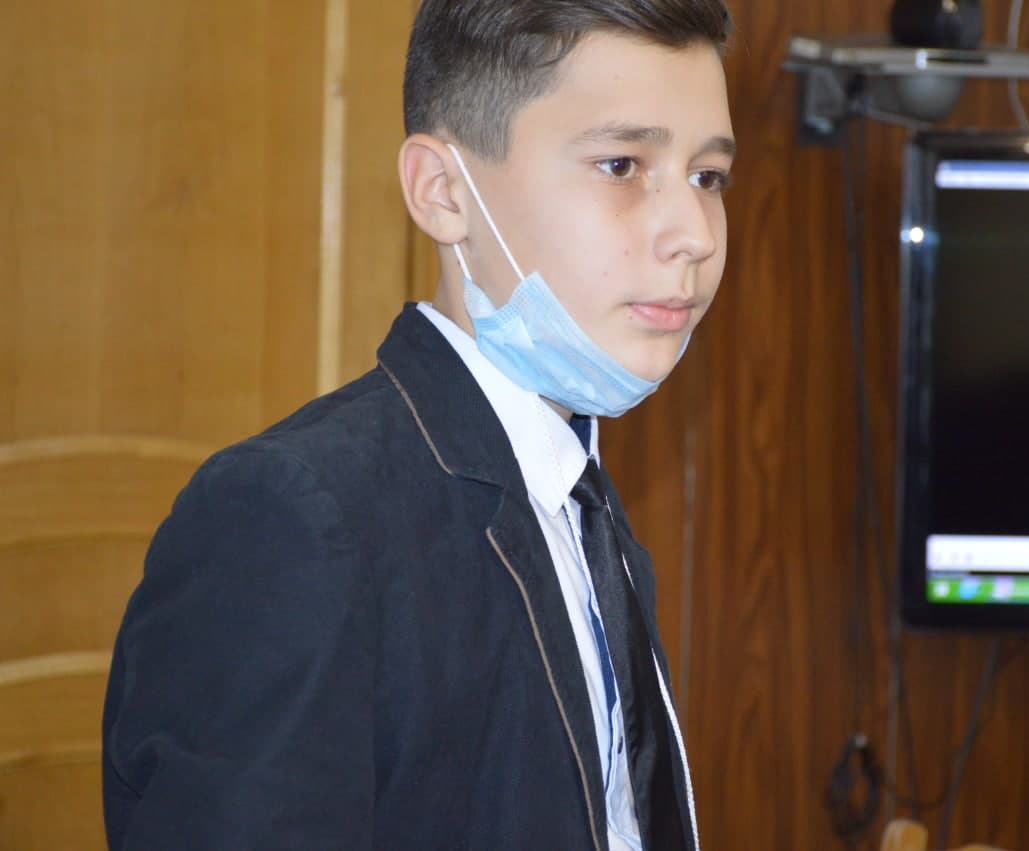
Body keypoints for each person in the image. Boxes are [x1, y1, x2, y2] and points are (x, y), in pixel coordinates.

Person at [101, 1, 735, 848]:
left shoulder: (576, 497)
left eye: (708, 177)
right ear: (443, 192)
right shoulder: (295, 519)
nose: (693, 233)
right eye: (621, 165)